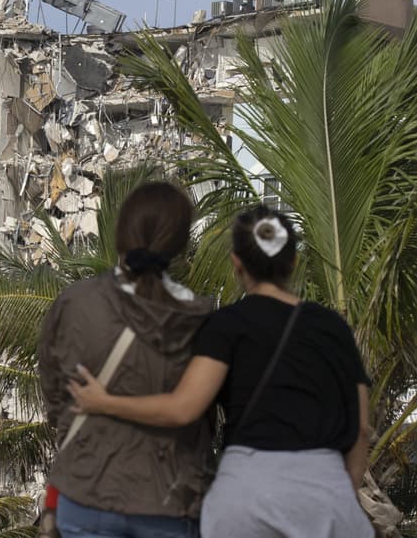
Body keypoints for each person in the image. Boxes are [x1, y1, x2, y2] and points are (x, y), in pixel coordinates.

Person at [69, 205, 375, 537]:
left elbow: (183, 409)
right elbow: (360, 428)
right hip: (325, 493)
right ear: (293, 261)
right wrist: (339, 489)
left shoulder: (225, 326)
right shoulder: (333, 328)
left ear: (237, 263)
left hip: (246, 497)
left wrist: (102, 402)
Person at [37, 181, 215, 538]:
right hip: (168, 500)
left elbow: (55, 394)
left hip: (85, 493)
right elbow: (202, 413)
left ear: (120, 234)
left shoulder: (76, 303)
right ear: (179, 243)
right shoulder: (200, 320)